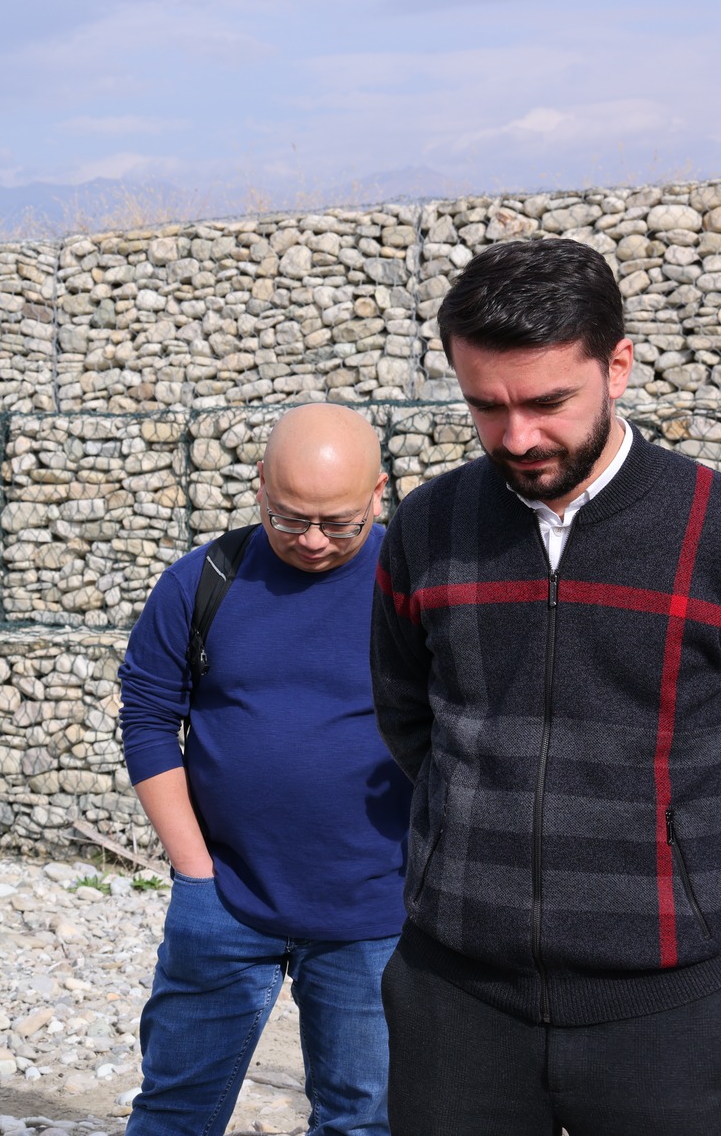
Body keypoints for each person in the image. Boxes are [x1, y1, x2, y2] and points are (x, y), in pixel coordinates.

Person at [372, 235, 721, 1133]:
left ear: (618, 365)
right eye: (485, 406)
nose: (518, 437)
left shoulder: (712, 527)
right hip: (455, 998)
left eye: (547, 402)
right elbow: (406, 713)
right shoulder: (428, 524)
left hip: (674, 1003)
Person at [118, 404, 408, 1136]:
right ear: (259, 485)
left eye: (339, 524)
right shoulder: (202, 581)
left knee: (363, 1121)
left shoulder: (416, 590)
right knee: (174, 1112)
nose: (311, 540)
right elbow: (148, 718)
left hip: (372, 912)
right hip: (222, 898)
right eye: (288, 518)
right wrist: (193, 871)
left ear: (378, 494)